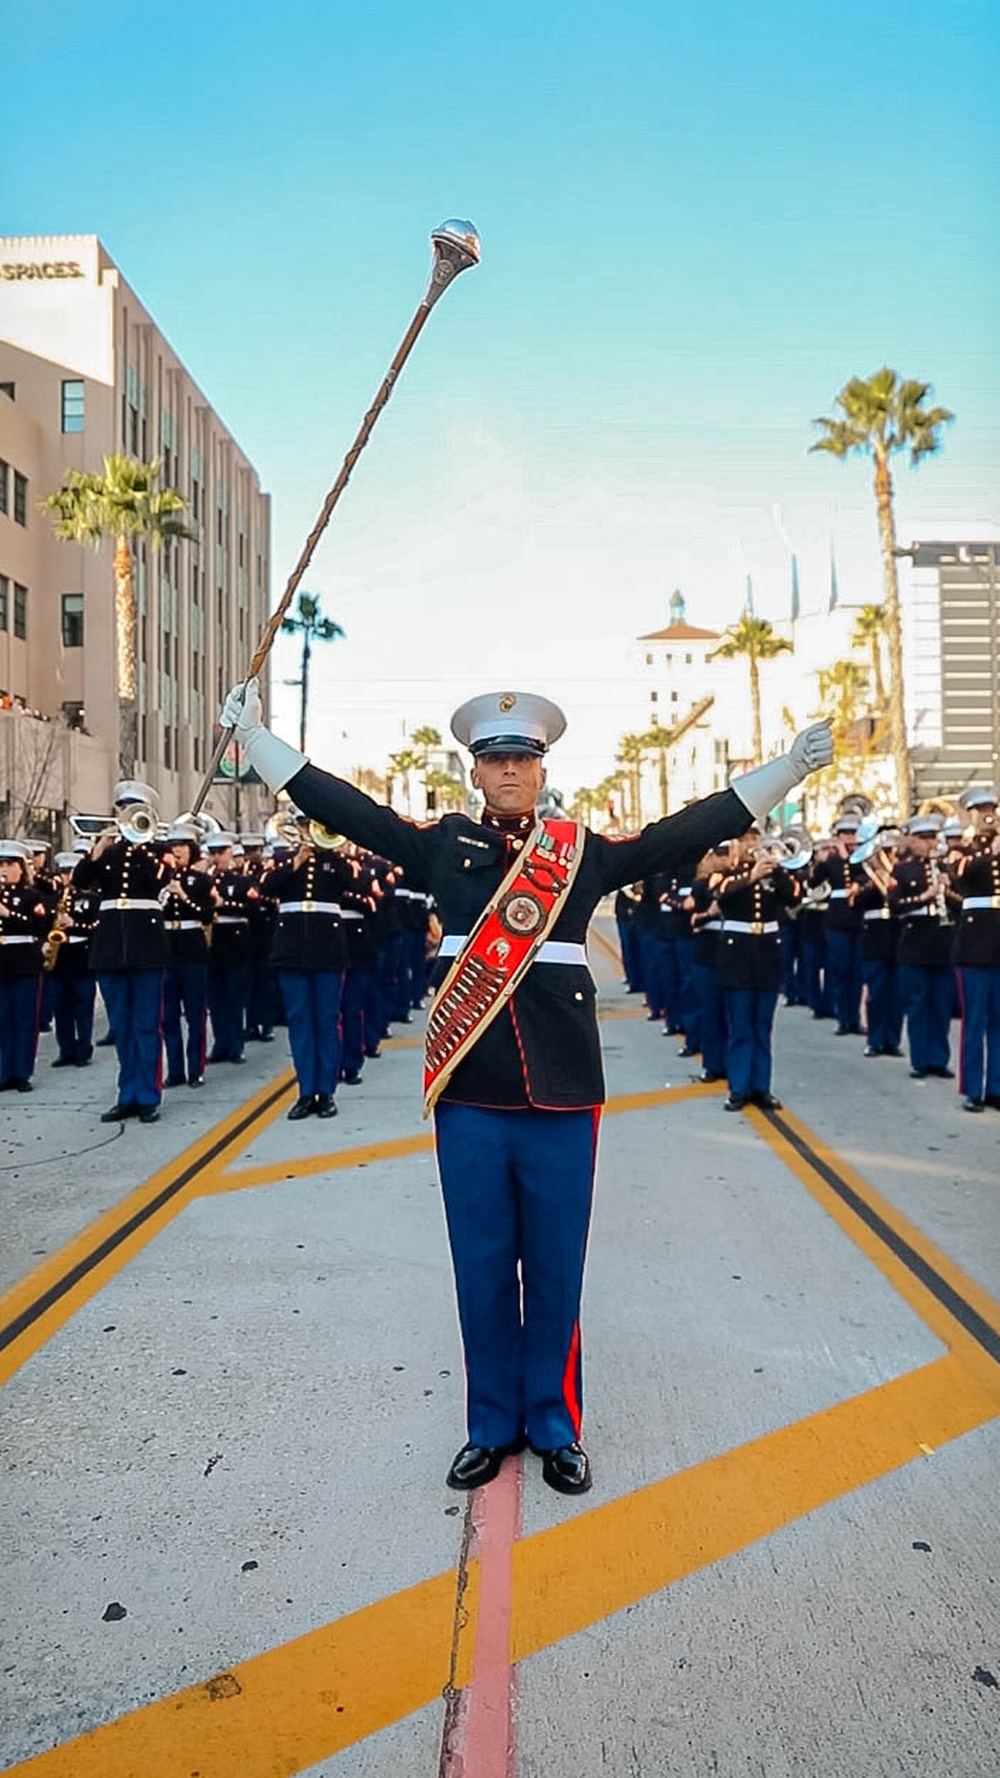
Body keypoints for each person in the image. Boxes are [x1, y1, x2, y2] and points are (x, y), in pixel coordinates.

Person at [220, 677, 832, 1495]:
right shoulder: (443, 846)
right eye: (494, 761)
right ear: (475, 773)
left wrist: (786, 770)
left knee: (555, 1268)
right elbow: (350, 809)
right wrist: (258, 743)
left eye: (522, 760)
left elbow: (685, 830)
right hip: (472, 1091)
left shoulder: (579, 854)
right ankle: (489, 1424)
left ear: (542, 771)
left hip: (561, 1090)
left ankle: (554, 1421)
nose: (509, 773)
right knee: (479, 1266)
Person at [72, 783, 169, 1123]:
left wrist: (142, 842)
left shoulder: (158, 851)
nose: (126, 814)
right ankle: (127, 1094)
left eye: (134, 808)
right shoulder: (108, 853)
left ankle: (148, 1095)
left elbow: (159, 879)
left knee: (146, 1025)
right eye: (123, 808)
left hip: (146, 946)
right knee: (123, 1026)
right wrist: (97, 848)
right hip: (111, 947)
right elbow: (79, 880)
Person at [714, 831, 799, 1111]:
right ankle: (738, 1088)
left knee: (763, 1027)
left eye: (756, 839)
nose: (753, 845)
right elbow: (720, 895)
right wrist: (751, 876)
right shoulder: (727, 870)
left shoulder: (774, 873)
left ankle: (761, 1087)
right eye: (747, 839)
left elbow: (793, 898)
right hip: (737, 954)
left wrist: (777, 870)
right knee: (740, 1026)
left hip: (767, 955)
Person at [952, 785, 1000, 1112]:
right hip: (975, 944)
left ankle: (996, 1087)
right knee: (976, 1020)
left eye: (992, 810)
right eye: (981, 811)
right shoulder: (962, 849)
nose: (988, 816)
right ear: (970, 816)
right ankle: (973, 1088)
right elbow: (963, 875)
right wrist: (992, 850)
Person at [160, 824, 213, 1088]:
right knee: (168, 1016)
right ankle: (176, 1070)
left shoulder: (201, 880)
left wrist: (183, 895)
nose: (177, 850)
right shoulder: (160, 878)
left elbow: (205, 915)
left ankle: (196, 1069)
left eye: (182, 846)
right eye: (173, 846)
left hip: (192, 947)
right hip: (168, 948)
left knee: (195, 1014)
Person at [0, 839, 49, 1090]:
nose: (3, 870)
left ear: (21, 868)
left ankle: (22, 1072)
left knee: (24, 1019)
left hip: (23, 960)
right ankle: (2, 1072)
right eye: (0, 864)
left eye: (9, 864)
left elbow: (39, 926)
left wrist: (8, 914)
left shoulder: (32, 895)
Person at [48, 851, 101, 1067]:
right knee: (61, 1008)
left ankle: (83, 1049)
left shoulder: (92, 900)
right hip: (59, 957)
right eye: (63, 872)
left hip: (82, 955)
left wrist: (74, 924)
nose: (67, 877)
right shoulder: (52, 900)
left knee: (83, 1006)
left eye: (71, 872)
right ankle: (66, 1049)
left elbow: (97, 928)